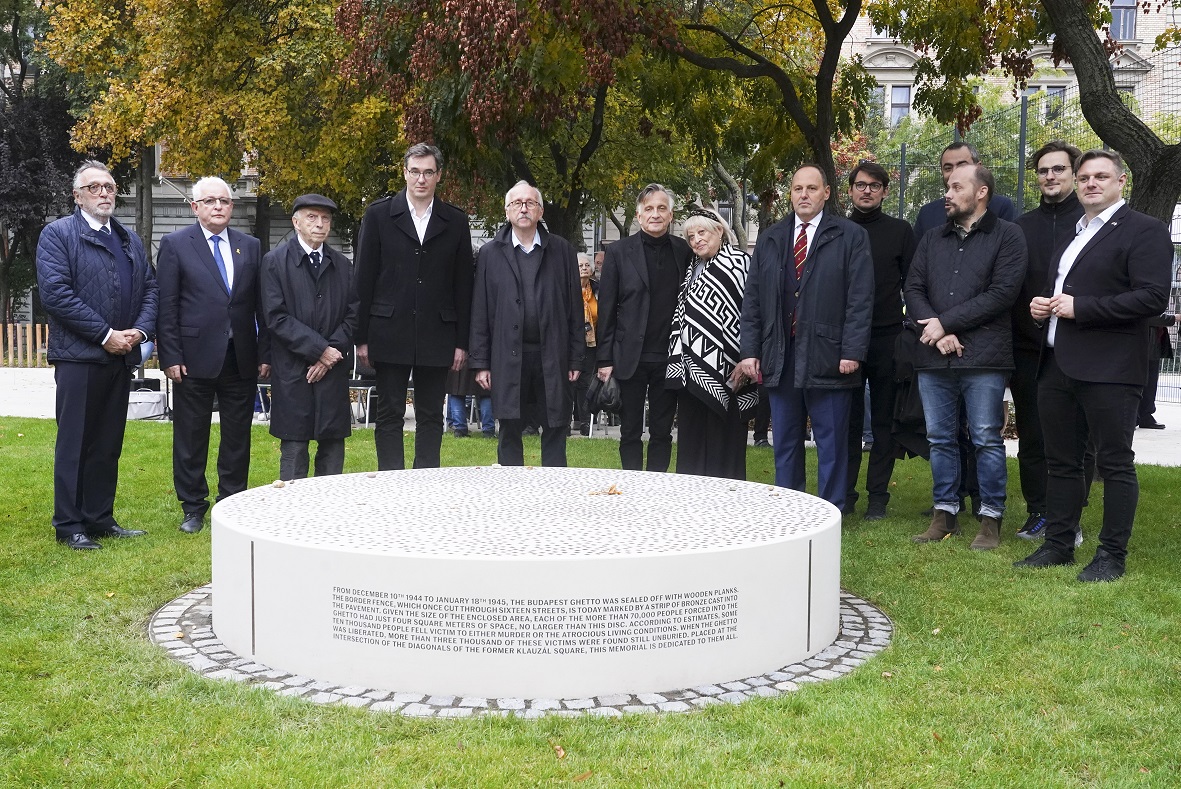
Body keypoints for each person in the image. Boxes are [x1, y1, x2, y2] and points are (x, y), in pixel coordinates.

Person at [1015, 150, 1172, 582]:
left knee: (1115, 463)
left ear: (1121, 181)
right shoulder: (1075, 231)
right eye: (1084, 177)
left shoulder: (1146, 230)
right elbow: (1063, 291)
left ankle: (1110, 555)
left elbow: (1151, 298)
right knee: (1062, 462)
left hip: (1111, 368)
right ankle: (1059, 545)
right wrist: (1041, 306)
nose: (1090, 184)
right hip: (1057, 364)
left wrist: (1080, 308)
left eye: (1101, 177)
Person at [735, 164, 874, 510]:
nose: (804, 195)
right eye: (798, 189)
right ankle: (790, 507)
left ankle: (832, 509)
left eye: (812, 189)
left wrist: (852, 351)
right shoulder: (771, 238)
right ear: (790, 194)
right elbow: (753, 300)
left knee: (832, 439)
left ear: (827, 193)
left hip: (830, 354)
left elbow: (860, 298)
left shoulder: (849, 236)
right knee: (785, 438)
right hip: (780, 352)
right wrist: (750, 351)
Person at [36, 160, 158, 550]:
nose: (105, 193)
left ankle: (100, 518)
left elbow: (151, 289)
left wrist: (139, 331)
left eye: (109, 187)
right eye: (95, 188)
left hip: (121, 356)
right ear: (77, 196)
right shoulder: (57, 235)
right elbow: (56, 294)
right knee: (76, 442)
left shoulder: (129, 239)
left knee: (108, 443)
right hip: (79, 358)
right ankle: (70, 524)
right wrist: (105, 334)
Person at [904, 164, 1027, 550]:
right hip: (934, 356)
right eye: (947, 186)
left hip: (985, 357)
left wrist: (944, 323)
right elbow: (913, 288)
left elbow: (1002, 294)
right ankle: (944, 513)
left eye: (957, 187)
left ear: (981, 192)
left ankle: (990, 518)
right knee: (940, 438)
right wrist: (938, 333)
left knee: (987, 438)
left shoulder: (1008, 236)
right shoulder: (931, 239)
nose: (948, 193)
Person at [157, 176, 268, 535]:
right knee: (191, 435)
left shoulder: (250, 246)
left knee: (238, 435)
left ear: (232, 207)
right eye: (210, 201)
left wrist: (264, 352)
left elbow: (261, 307)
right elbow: (167, 305)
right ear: (195, 207)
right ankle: (192, 507)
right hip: (192, 357)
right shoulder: (175, 245)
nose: (218, 206)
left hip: (241, 357)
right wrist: (170, 355)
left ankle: (231, 501)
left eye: (224, 201)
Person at [353, 143, 474, 471]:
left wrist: (462, 342)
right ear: (404, 172)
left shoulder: (455, 221)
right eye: (415, 171)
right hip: (388, 330)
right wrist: (360, 337)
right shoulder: (379, 215)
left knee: (432, 414)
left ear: (439, 175)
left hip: (438, 332)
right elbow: (363, 278)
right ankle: (392, 484)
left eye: (428, 172)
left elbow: (464, 287)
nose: (421, 179)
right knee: (389, 413)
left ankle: (425, 485)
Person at [469, 181, 583, 466]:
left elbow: (574, 308)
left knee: (555, 426)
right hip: (507, 356)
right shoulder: (490, 253)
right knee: (509, 427)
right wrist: (481, 362)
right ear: (506, 211)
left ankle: (557, 494)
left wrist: (576, 357)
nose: (523, 208)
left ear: (540, 210)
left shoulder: (562, 251)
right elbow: (480, 309)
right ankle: (511, 496)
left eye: (530, 203)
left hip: (552, 355)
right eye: (517, 203)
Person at [1012, 140, 1084, 540]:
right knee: (1033, 437)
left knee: (1077, 440)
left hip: (1081, 347)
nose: (1050, 176)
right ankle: (1039, 510)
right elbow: (1011, 287)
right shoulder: (1022, 227)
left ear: (1073, 173)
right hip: (1029, 350)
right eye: (1043, 171)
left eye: (1058, 169)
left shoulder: (1089, 222)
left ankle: (1070, 518)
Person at [261, 194, 359, 480]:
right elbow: (275, 317)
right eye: (312, 217)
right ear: (296, 222)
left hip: (332, 370)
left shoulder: (343, 265)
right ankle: (291, 514)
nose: (320, 224)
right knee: (294, 446)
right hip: (294, 370)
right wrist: (319, 350)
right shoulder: (275, 262)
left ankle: (327, 514)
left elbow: (353, 315)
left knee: (332, 448)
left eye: (326, 218)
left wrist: (330, 355)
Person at [596, 184, 692, 471]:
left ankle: (658, 488)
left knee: (662, 433)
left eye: (661, 208)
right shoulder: (618, 252)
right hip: (629, 358)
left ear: (671, 214)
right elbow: (607, 308)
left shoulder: (684, 251)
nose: (655, 214)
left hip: (670, 358)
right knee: (630, 432)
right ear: (638, 216)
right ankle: (632, 487)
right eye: (649, 209)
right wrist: (604, 359)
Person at [844, 161, 916, 520]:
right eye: (860, 185)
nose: (867, 190)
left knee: (884, 422)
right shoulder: (837, 230)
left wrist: (910, 329)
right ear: (851, 190)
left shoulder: (901, 231)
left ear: (885, 191)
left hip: (888, 337)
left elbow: (913, 284)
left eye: (874, 185)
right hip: (844, 343)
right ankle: (844, 494)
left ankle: (877, 497)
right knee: (848, 421)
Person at [667, 208, 756, 479]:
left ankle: (727, 497)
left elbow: (752, 314)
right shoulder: (692, 269)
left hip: (729, 368)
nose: (696, 240)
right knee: (692, 439)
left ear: (719, 230)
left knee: (724, 440)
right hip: (691, 370)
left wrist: (746, 357)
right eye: (690, 236)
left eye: (701, 232)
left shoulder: (740, 262)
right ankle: (692, 496)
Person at [913, 142, 1018, 238]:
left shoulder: (1001, 207)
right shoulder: (927, 213)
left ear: (979, 168)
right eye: (948, 168)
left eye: (962, 165)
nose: (955, 172)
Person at [572, 252, 599, 436]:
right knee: (568, 382)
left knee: (585, 383)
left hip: (591, 343)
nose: (583, 268)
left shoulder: (598, 289)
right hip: (571, 343)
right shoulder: (568, 288)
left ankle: (584, 423)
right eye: (580, 265)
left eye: (586, 265)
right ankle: (564, 423)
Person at [1138, 312, 1177, 429]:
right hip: (1142, 345)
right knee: (1142, 382)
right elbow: (1149, 316)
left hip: (1152, 345)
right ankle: (1138, 416)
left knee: (1150, 382)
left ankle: (1145, 415)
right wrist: (1173, 318)